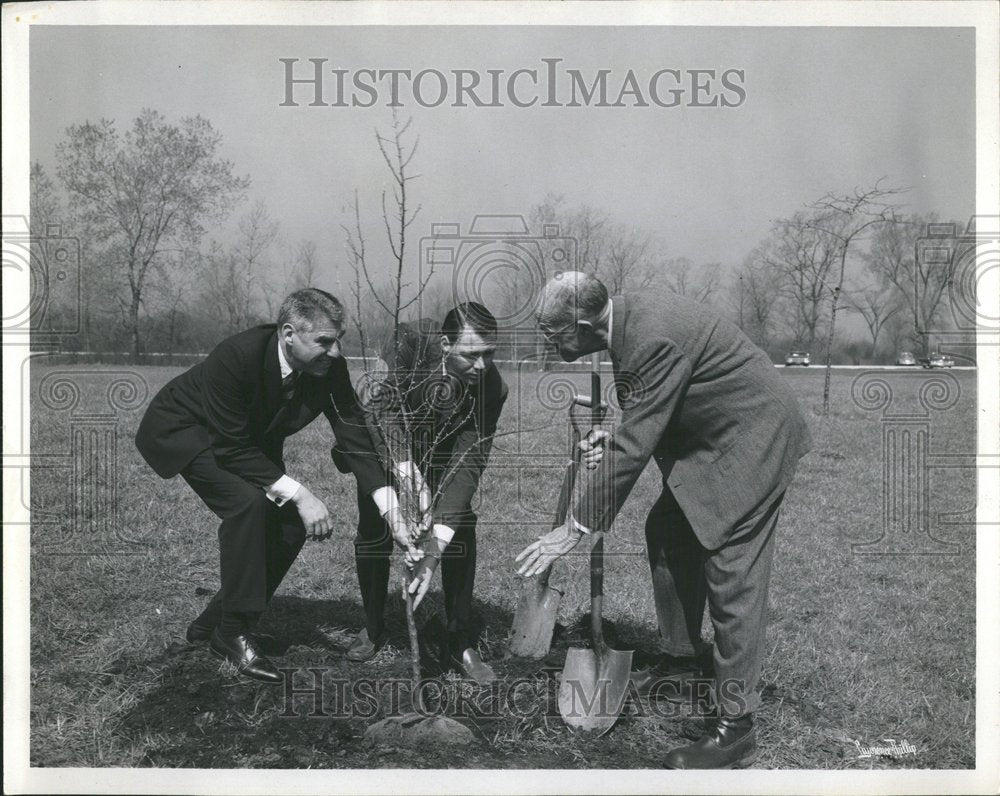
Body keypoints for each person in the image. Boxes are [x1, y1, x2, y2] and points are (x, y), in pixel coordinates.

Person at [516, 272, 811, 768]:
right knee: (669, 530)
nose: (549, 343)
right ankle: (680, 660)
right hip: (715, 438)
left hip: (752, 443)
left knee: (732, 578)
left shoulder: (648, 335)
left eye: (553, 334)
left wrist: (576, 526)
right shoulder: (625, 327)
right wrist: (612, 440)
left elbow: (639, 441)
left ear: (585, 325)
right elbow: (650, 415)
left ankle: (735, 727)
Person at [135, 288, 416, 684]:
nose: (335, 352)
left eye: (338, 340)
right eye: (323, 341)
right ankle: (232, 633)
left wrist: (391, 511)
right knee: (248, 505)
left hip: (244, 441)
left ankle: (214, 626)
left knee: (289, 524)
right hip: (186, 430)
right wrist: (301, 493)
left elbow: (354, 435)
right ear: (288, 333)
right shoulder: (235, 356)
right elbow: (229, 448)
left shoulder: (329, 368)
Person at [348, 302, 508, 685]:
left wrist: (435, 547)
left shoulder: (491, 387)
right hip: (386, 445)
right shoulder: (407, 344)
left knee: (461, 525)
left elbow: (469, 462)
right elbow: (377, 409)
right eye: (472, 355)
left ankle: (459, 639)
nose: (482, 365)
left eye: (490, 354)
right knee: (375, 527)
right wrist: (406, 473)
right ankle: (373, 625)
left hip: (444, 456)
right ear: (445, 344)